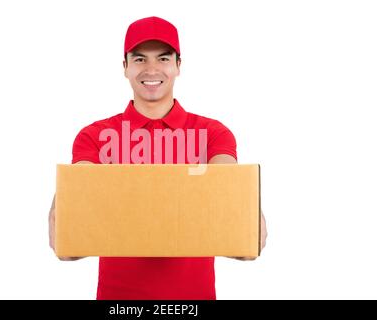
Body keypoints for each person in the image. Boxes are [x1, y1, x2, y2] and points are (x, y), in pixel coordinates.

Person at [49, 16, 268, 300]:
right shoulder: (96, 135)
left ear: (178, 65)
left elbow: (232, 216)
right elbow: (72, 234)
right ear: (124, 67)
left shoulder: (213, 134)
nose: (151, 69)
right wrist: (67, 211)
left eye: (163, 58)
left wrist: (243, 215)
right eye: (139, 59)